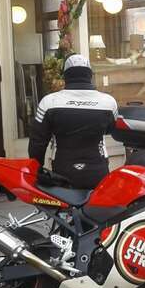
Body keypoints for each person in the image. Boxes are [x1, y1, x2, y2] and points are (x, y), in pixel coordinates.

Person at [28, 54, 118, 189]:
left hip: (63, 171)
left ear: (65, 76)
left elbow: (37, 143)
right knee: (96, 203)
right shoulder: (108, 102)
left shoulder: (49, 102)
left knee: (63, 203)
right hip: (97, 170)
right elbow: (111, 129)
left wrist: (37, 172)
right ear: (90, 75)